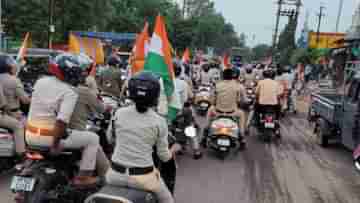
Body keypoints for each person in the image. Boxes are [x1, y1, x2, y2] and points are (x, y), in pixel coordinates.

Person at [25, 53, 104, 186]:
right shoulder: (69, 92)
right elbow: (61, 122)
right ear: (71, 73)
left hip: (30, 136)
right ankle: (83, 177)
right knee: (93, 139)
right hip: (49, 139)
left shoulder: (40, 82)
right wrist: (55, 145)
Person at [106, 71, 179, 203]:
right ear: (155, 96)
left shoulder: (118, 113)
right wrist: (174, 150)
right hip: (143, 179)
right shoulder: (159, 121)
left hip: (114, 175)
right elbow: (163, 156)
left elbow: (110, 139)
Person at [68, 54, 110, 176]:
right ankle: (101, 178)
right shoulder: (84, 89)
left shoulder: (55, 86)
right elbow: (101, 108)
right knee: (94, 141)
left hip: (43, 133)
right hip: (73, 131)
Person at [0, 55, 30, 157]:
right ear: (8, 66)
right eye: (13, 65)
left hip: (6, 112)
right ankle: (21, 154)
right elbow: (25, 100)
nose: (15, 67)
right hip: (10, 112)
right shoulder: (14, 80)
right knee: (21, 126)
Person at [207, 68, 247, 145]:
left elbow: (212, 100)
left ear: (222, 76)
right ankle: (241, 136)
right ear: (233, 76)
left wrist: (214, 103)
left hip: (218, 112)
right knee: (242, 114)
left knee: (210, 109)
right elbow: (242, 100)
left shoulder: (217, 85)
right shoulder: (238, 86)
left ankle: (205, 132)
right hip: (232, 113)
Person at [173, 62, 201, 159]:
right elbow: (191, 96)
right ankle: (196, 150)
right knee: (190, 127)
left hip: (168, 112)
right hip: (182, 111)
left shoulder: (164, 82)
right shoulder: (184, 83)